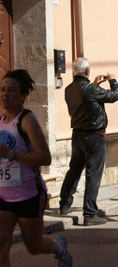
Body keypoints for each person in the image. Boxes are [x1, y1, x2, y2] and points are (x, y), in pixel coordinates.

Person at [0, 70, 72, 266]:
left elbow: (44, 157)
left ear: (23, 95)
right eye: (3, 89)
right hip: (3, 195)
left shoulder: (26, 120)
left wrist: (10, 154)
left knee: (34, 246)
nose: (5, 94)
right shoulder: (0, 122)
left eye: (12, 90)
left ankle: (60, 249)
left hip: (28, 194)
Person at [59, 57, 118, 226]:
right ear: (87, 71)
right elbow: (115, 95)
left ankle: (64, 205)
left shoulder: (69, 89)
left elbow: (87, 98)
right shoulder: (91, 90)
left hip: (77, 135)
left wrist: (95, 84)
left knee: (74, 171)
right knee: (93, 175)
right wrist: (113, 80)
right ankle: (90, 214)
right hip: (94, 136)